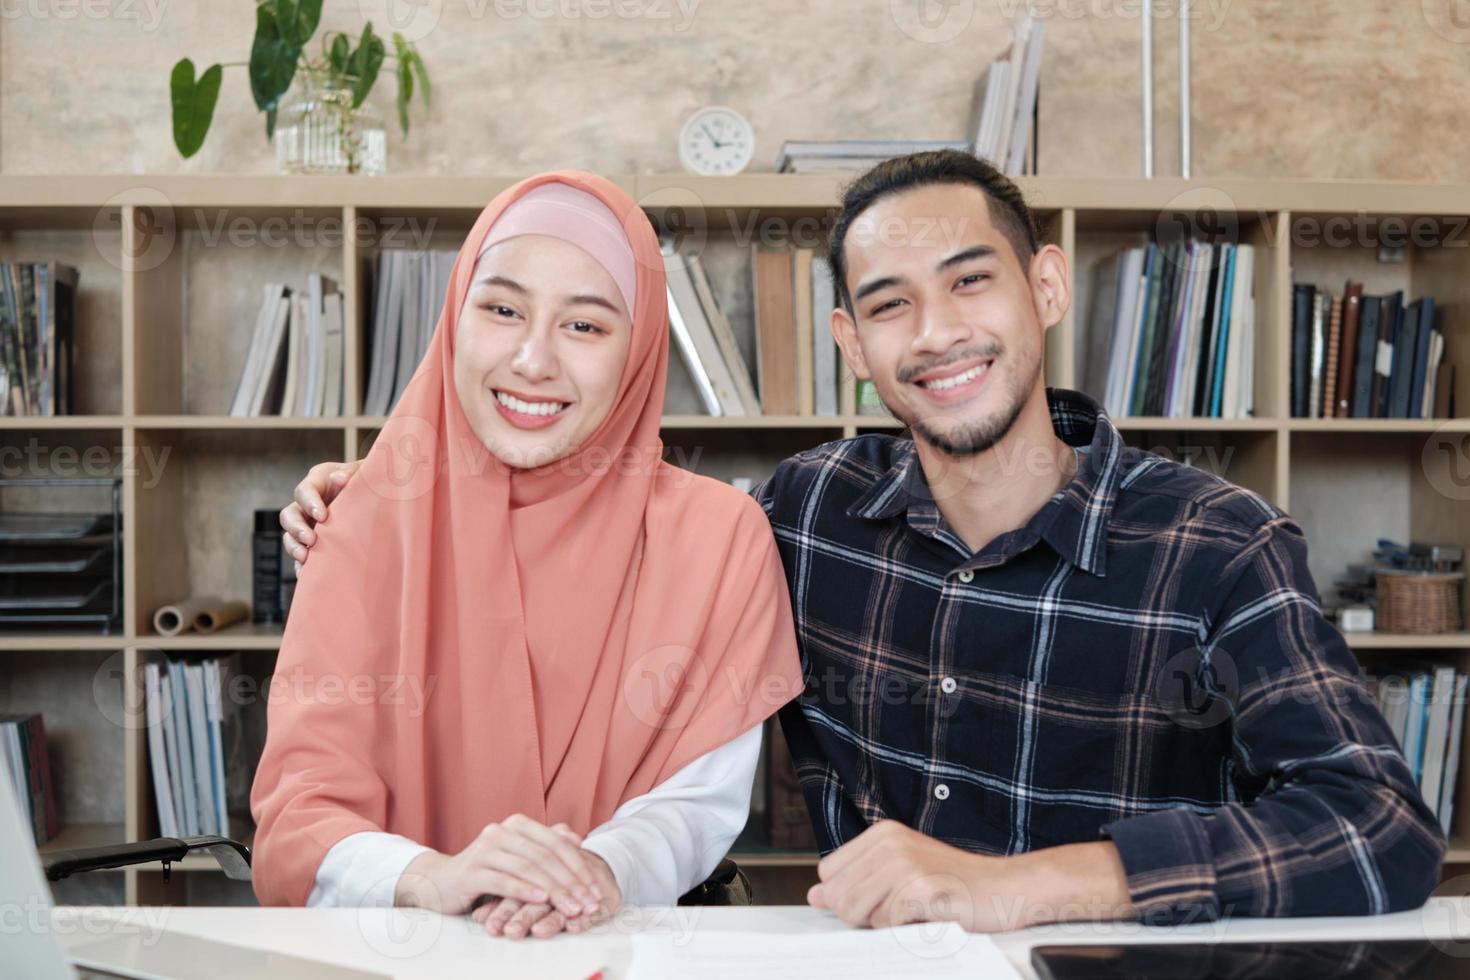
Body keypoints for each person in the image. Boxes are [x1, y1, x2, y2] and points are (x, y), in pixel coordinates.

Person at [279, 151, 1446, 933]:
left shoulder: (1218, 541)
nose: (936, 334)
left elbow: (1380, 827)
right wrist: (372, 501)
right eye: (889, 303)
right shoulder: (799, 516)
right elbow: (617, 531)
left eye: (969, 282)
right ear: (850, 339)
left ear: (1045, 285)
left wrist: (1014, 886)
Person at [250, 171, 803, 942]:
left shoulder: (720, 536)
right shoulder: (361, 522)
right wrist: (432, 878)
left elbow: (697, 802)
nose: (533, 360)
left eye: (585, 326)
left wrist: (589, 877)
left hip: (619, 948)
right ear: (455, 319)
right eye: (502, 310)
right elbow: (301, 809)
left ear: (639, 350)